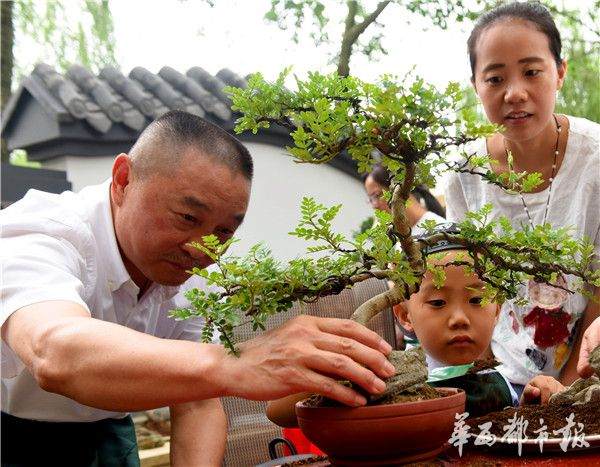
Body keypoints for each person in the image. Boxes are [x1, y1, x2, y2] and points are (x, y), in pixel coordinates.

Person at [0, 110, 395, 466]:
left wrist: (215, 372)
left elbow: (197, 401)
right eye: (188, 217)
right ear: (123, 180)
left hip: (107, 430)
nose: (202, 250)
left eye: (224, 232)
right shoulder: (43, 232)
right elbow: (54, 350)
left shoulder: (188, 275)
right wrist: (230, 363)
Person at [445, 1, 600, 396]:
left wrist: (565, 391)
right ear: (475, 85)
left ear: (560, 73)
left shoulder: (595, 159)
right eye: (495, 79)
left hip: (588, 372)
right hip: (500, 381)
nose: (514, 93)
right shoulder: (466, 175)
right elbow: (469, 285)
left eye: (532, 72)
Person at [364, 163, 446, 235]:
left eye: (376, 195)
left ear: (399, 189)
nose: (375, 205)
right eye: (371, 199)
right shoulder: (404, 237)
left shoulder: (439, 229)